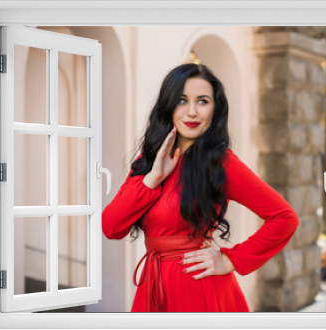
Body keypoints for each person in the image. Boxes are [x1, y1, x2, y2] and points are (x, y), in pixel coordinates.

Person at [101, 63, 299, 312]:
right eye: (182, 100)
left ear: (215, 110)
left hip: (198, 287)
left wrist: (230, 259)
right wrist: (152, 178)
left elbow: (285, 217)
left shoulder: (221, 163)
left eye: (202, 101)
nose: (192, 112)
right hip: (152, 287)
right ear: (169, 106)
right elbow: (111, 227)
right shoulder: (147, 163)